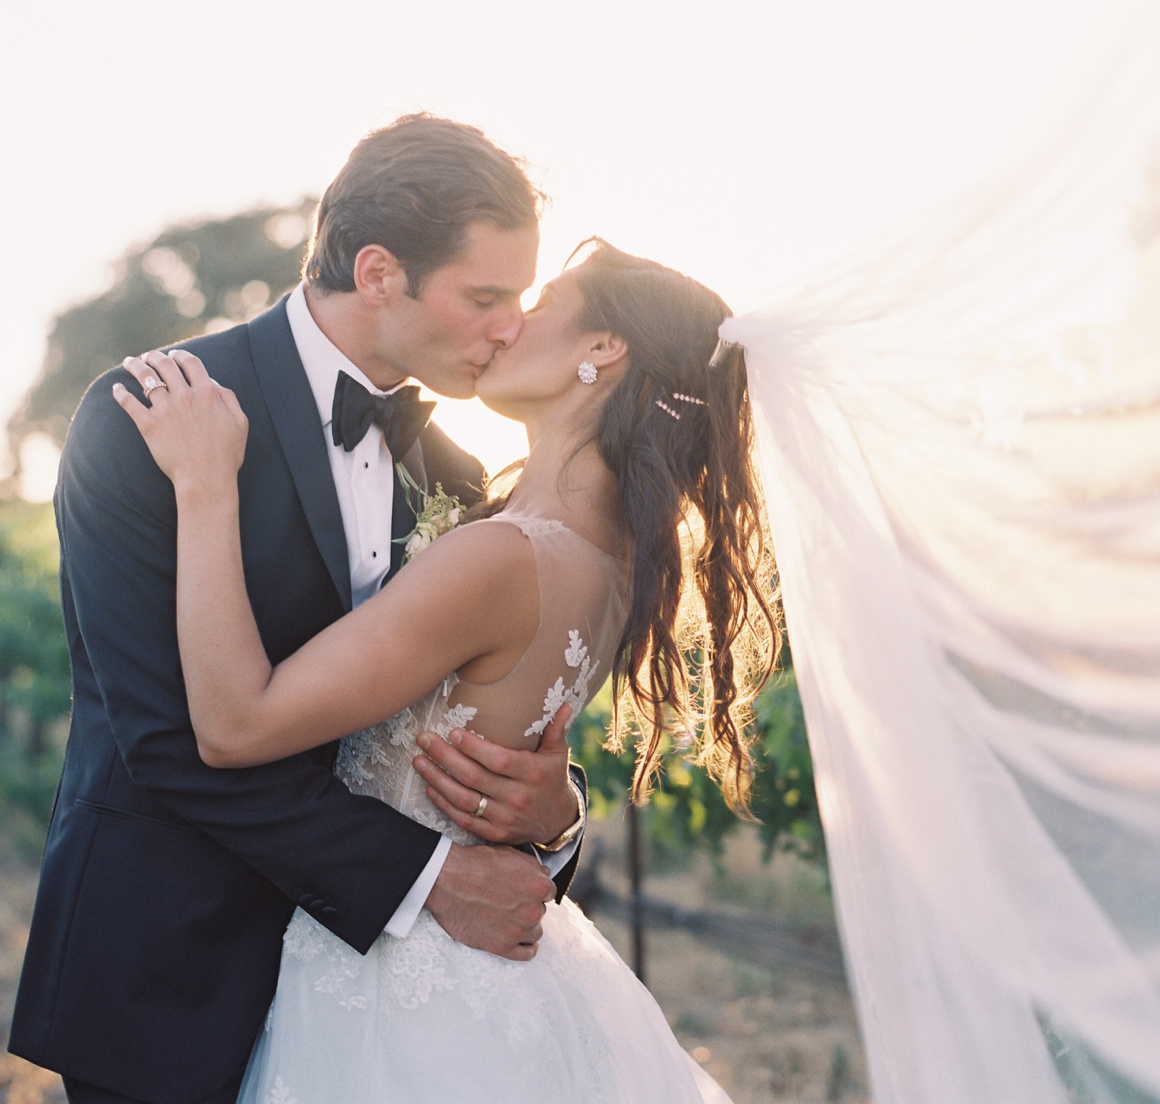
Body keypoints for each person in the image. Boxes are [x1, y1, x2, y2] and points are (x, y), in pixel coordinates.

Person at [10, 115, 593, 1104]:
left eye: (521, 302)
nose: (508, 328)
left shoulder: (452, 472)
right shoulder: (149, 417)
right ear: (377, 274)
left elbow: (452, 724)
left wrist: (557, 817)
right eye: (486, 298)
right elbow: (171, 741)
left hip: (374, 1004)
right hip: (164, 977)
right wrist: (427, 881)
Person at [111, 237, 775, 1102]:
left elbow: (237, 725)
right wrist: (560, 813)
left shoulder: (500, 556)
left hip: (397, 996)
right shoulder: (615, 560)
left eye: (537, 308)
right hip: (491, 983)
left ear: (602, 350)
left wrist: (205, 486)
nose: (506, 328)